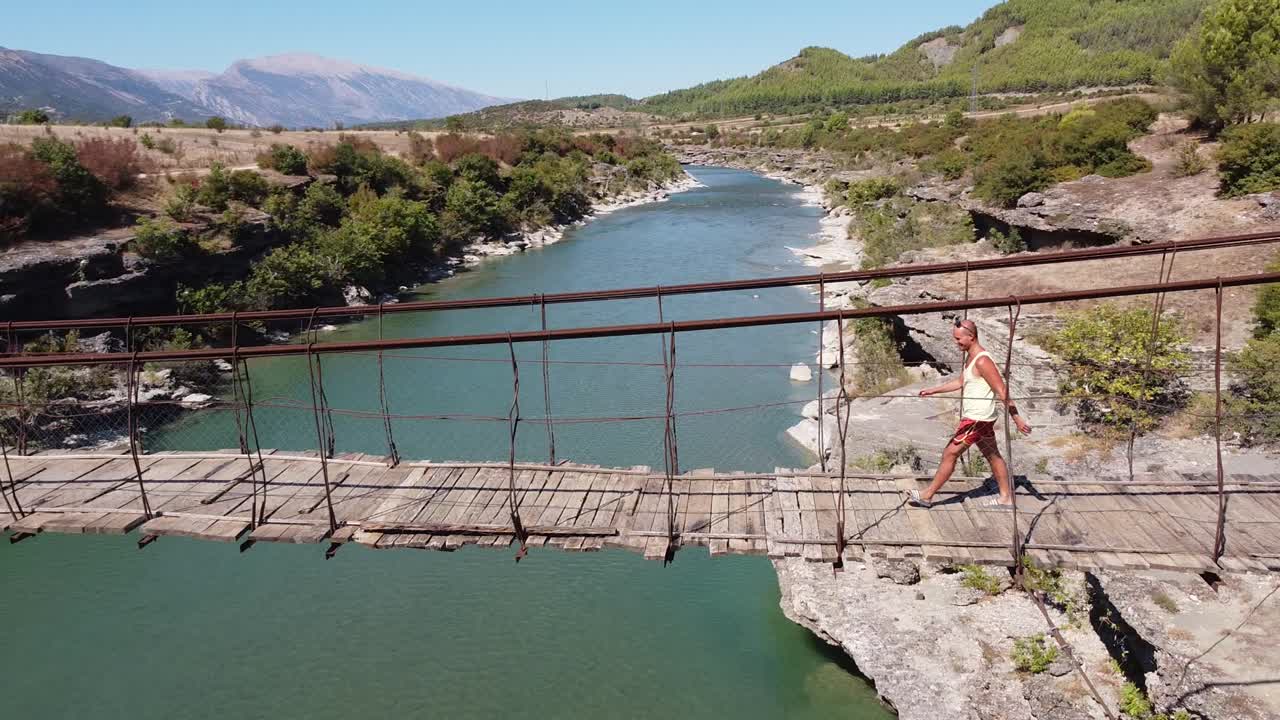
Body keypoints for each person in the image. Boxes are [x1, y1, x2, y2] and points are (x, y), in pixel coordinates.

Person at [909, 318, 1031, 509]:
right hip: (980, 419)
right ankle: (1006, 497)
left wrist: (1016, 418)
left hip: (977, 418)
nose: (956, 343)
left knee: (950, 453)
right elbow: (960, 382)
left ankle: (927, 495)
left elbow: (1002, 391)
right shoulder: (971, 356)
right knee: (993, 456)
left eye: (958, 339)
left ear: (971, 337)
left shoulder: (983, 360)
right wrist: (934, 390)